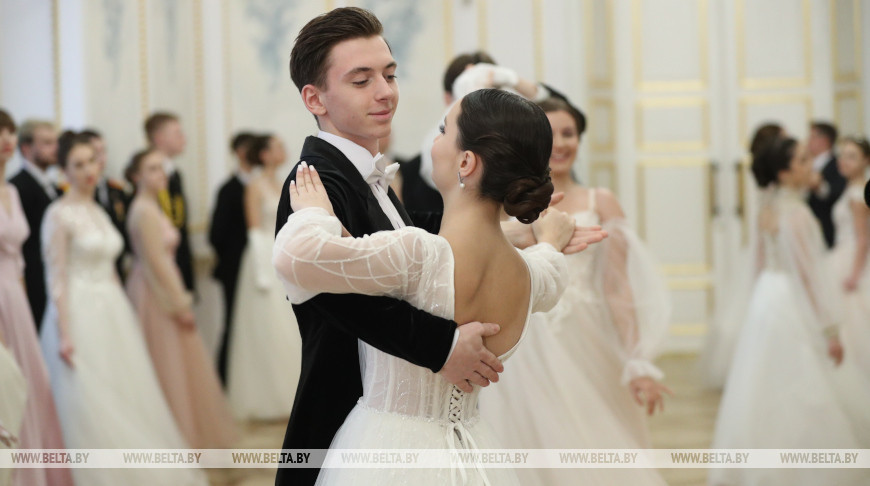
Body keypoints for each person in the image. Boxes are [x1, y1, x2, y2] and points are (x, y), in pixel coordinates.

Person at [273, 8, 603, 486]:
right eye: (361, 80)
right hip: (345, 409)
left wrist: (512, 234)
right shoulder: (314, 184)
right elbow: (342, 299)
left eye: (389, 74)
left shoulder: (367, 174)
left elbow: (415, 240)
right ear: (315, 98)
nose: (386, 91)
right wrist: (441, 343)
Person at [481, 96, 671, 485]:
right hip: (526, 344)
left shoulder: (601, 202)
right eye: (550, 136)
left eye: (569, 133)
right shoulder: (506, 206)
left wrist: (636, 359)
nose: (562, 144)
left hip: (590, 336)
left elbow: (617, 285)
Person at [39, 132, 208, 486]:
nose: (88, 169)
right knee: (92, 397)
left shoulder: (99, 210)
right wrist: (65, 333)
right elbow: (56, 278)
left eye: (91, 161)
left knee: (126, 392)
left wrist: (127, 315)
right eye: (78, 164)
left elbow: (114, 270)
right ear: (64, 171)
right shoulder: (57, 215)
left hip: (112, 310)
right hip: (79, 312)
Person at [709, 136, 870, 486]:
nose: (809, 164)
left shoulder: (767, 210)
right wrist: (830, 330)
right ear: (784, 172)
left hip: (767, 298)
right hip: (791, 301)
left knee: (762, 381)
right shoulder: (797, 215)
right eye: (801, 160)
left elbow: (759, 264)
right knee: (800, 380)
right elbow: (810, 278)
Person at [125, 148, 237, 449]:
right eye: (151, 169)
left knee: (177, 366)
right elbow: (156, 264)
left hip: (161, 284)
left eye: (161, 168)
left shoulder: (153, 205)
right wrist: (179, 304)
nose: (160, 174)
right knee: (166, 365)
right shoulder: (143, 210)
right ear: (137, 176)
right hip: (155, 294)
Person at [0, 111, 73, 486]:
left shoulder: (10, 190)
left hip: (18, 295)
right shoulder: (16, 184)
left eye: (10, 131)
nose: (7, 138)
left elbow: (21, 262)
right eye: (1, 132)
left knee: (31, 383)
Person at [226, 133, 301, 420]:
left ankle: (290, 393)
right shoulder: (254, 187)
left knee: (289, 328)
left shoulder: (283, 183)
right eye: (277, 146)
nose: (283, 149)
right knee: (270, 326)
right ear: (265, 154)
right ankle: (269, 397)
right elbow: (255, 231)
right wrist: (263, 272)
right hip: (264, 259)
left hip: (285, 256)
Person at [209, 131, 255, 385]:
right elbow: (216, 233)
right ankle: (226, 378)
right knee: (233, 322)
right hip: (234, 266)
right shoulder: (229, 189)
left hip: (260, 266)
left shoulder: (262, 183)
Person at [8, 119, 59, 329]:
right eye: (47, 143)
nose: (55, 149)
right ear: (26, 148)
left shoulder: (53, 185)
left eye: (55, 142)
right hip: (32, 278)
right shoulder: (18, 186)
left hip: (51, 274)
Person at [830, 135, 870, 380]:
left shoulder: (857, 194)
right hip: (844, 254)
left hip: (852, 259)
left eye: (852, 156)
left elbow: (863, 238)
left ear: (866, 160)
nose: (844, 161)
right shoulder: (854, 189)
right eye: (842, 155)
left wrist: (854, 274)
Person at [143, 112, 195, 291]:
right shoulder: (146, 176)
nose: (183, 138)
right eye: (177, 133)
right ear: (159, 138)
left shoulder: (175, 174)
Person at [81, 128, 132, 281]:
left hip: (117, 267)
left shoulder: (117, 190)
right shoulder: (72, 193)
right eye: (95, 152)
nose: (101, 157)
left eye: (103, 151)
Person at [807, 121, 846, 248]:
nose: (808, 141)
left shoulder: (837, 164)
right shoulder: (807, 163)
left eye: (812, 137)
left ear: (824, 140)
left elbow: (837, 192)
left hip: (828, 228)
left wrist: (819, 186)